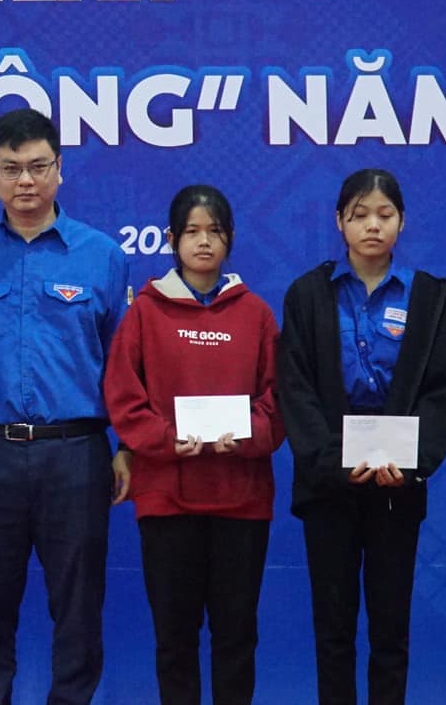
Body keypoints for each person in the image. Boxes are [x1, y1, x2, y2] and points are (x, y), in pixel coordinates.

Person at [0, 107, 131, 705]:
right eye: (11, 168)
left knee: (79, 611)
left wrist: (126, 447)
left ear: (60, 169)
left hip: (76, 455)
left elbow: (125, 364)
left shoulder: (101, 255)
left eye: (39, 166)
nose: (25, 181)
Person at [276, 168, 446, 705]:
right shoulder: (308, 294)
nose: (372, 226)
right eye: (359, 215)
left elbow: (440, 389)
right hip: (328, 487)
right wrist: (333, 461)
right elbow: (296, 388)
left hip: (396, 485)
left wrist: (412, 462)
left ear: (402, 221)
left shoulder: (429, 296)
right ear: (339, 222)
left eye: (384, 214)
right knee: (333, 631)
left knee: (390, 631)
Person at [104, 184, 283, 705]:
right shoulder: (145, 313)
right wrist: (165, 438)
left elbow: (278, 401)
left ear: (231, 238)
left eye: (215, 231)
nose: (204, 242)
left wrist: (245, 434)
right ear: (172, 239)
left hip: (242, 501)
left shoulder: (256, 314)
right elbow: (124, 397)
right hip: (166, 499)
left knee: (237, 637)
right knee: (174, 640)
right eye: (192, 231)